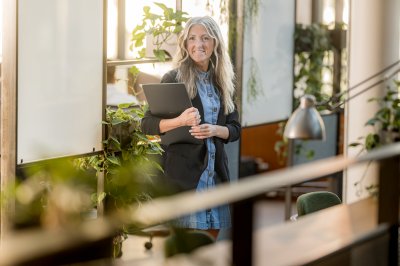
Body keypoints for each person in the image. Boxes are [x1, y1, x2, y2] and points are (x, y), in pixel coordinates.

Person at [141, 16, 241, 239]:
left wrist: (215, 130)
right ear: (185, 44)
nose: (199, 44)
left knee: (208, 246)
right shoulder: (173, 78)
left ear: (215, 43)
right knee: (185, 251)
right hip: (185, 177)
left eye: (206, 38)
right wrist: (181, 121)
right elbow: (147, 124)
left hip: (215, 175)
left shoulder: (222, 81)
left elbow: (235, 129)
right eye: (193, 38)